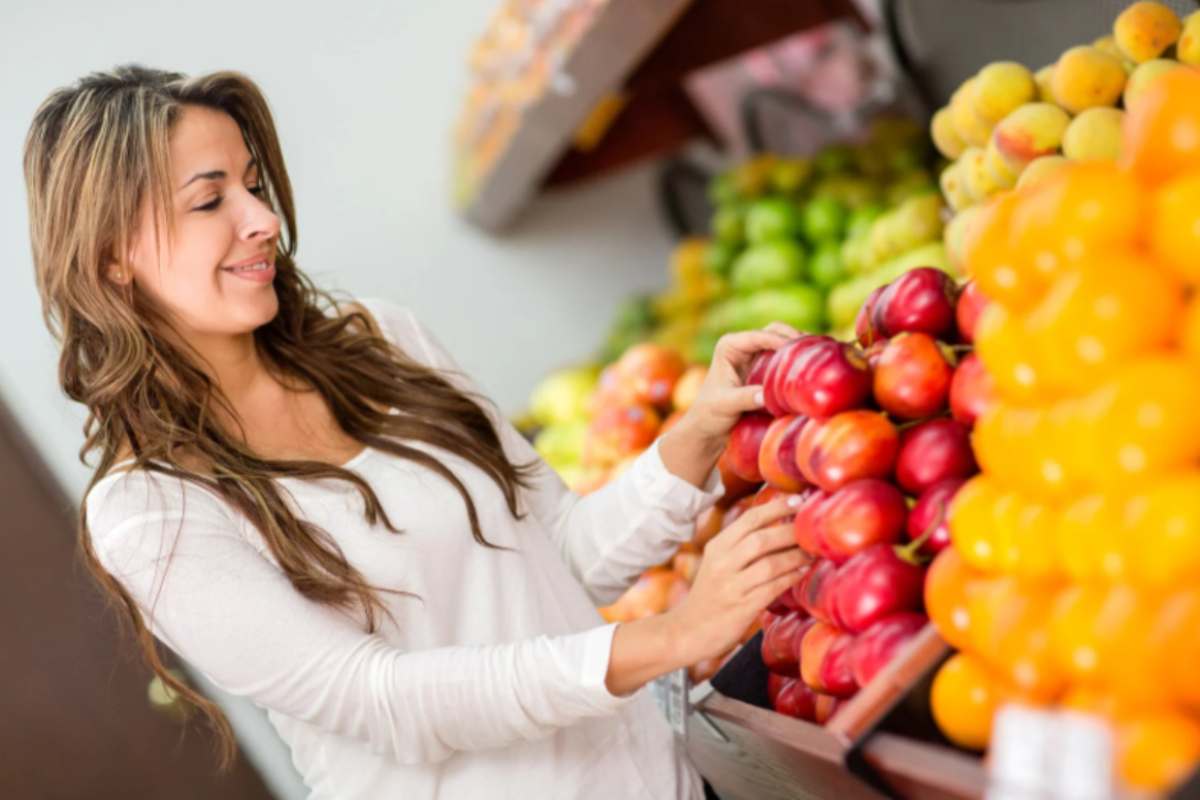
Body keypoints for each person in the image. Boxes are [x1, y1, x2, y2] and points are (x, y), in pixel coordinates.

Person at [23, 64, 807, 800]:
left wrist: (698, 437)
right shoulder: (151, 511)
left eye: (256, 186)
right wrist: (671, 637)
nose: (262, 221)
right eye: (209, 201)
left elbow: (558, 560)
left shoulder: (379, 341)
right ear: (111, 257)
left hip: (662, 777)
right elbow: (387, 699)